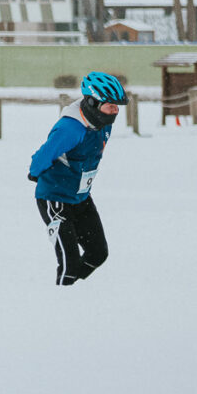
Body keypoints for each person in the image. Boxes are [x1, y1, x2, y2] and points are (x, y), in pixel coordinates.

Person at [30, 72, 121, 285]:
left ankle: (71, 295)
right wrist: (36, 173)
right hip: (55, 198)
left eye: (117, 106)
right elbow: (41, 157)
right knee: (69, 262)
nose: (115, 111)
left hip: (80, 197)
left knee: (98, 253)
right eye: (111, 106)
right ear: (93, 103)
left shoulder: (103, 121)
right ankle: (62, 303)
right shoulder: (70, 128)